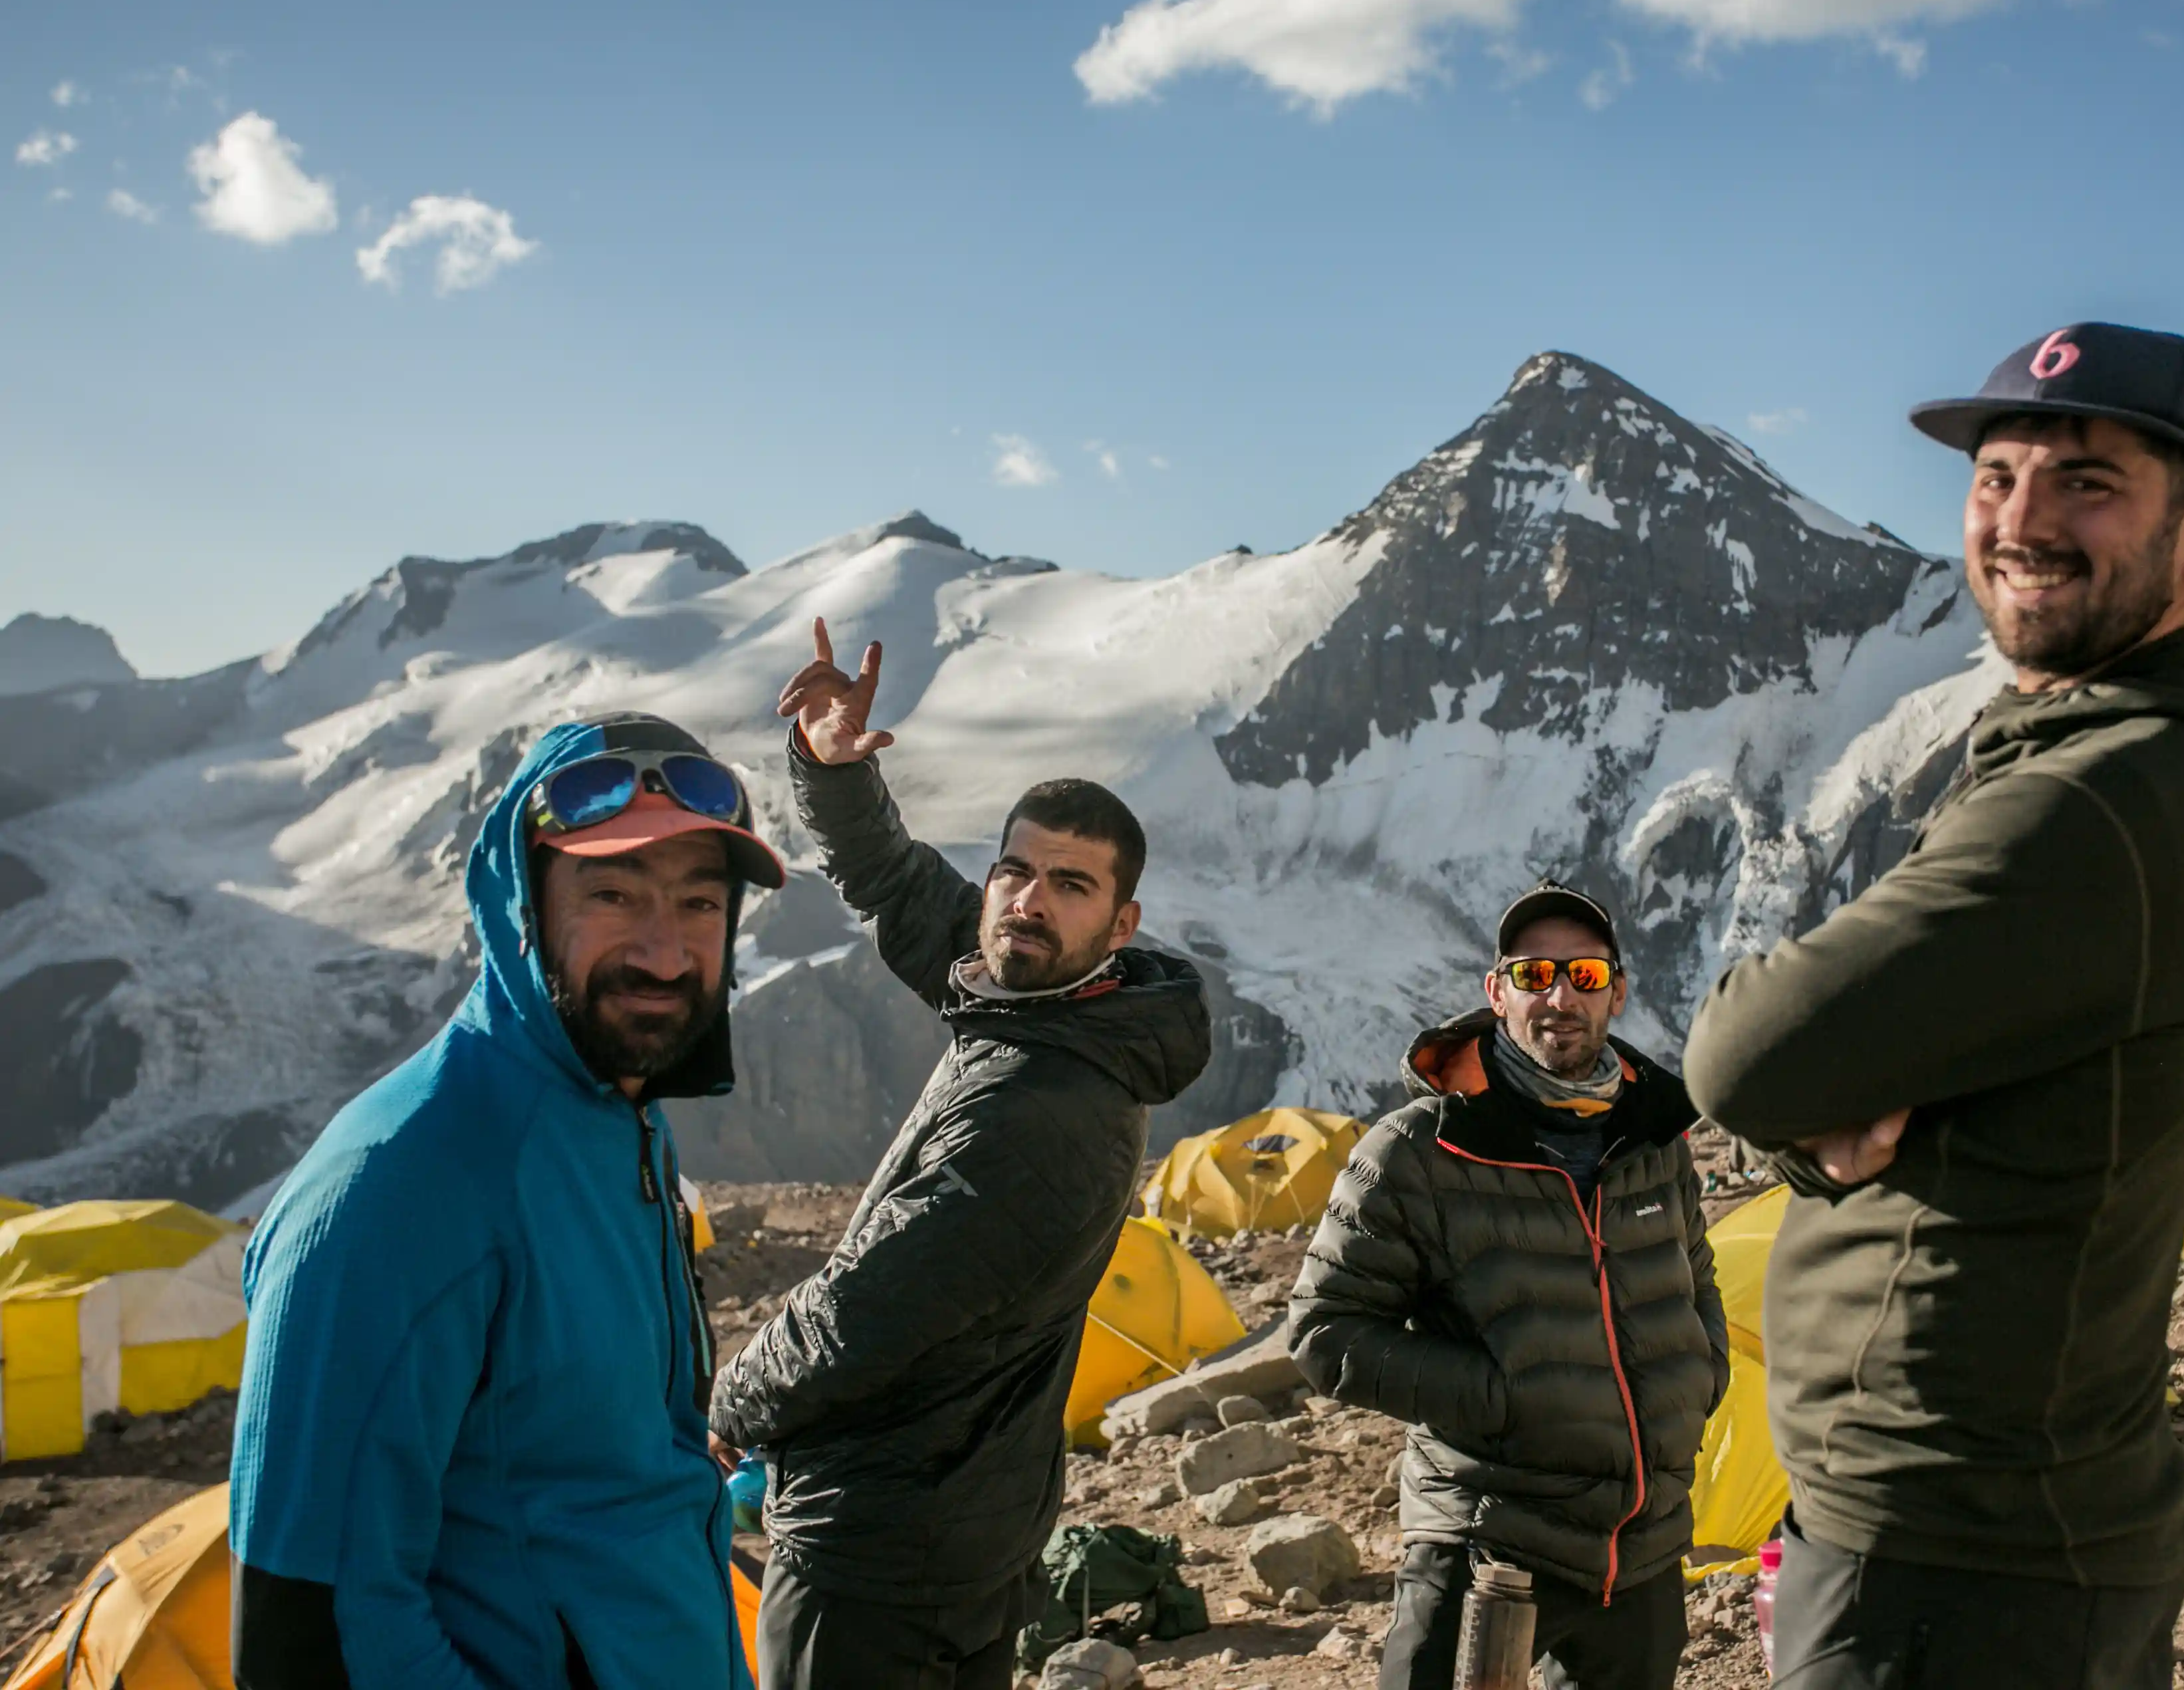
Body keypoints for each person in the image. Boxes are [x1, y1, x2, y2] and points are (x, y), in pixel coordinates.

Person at [1682, 323, 2184, 1689]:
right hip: (1974, 1521)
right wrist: (1812, 1123)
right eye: (1997, 478)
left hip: (1960, 1553)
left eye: (2086, 482)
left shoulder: (2103, 796)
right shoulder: (2096, 760)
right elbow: (1811, 1080)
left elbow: (1742, 1053)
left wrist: (1799, 1097)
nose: (2022, 520)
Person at [232, 713, 787, 1689]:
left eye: (700, 903)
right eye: (613, 894)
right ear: (520, 905)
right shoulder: (404, 1182)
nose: (665, 953)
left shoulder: (621, 1118)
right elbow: (305, 1631)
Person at [707, 619, 1211, 1690]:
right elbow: (898, 887)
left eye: (1069, 885)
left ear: (1121, 924)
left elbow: (869, 1308)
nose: (1028, 899)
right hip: (958, 1529)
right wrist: (831, 768)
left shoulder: (1048, 1104)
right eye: (1015, 871)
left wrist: (723, 1413)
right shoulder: (1046, 1004)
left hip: (883, 1551)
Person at [1289, 880, 1727, 1690]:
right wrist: (1501, 1399)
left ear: (1618, 993)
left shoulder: (1656, 1134)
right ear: (1497, 993)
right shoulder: (1419, 1149)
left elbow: (1694, 1273)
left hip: (1643, 1545)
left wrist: (1701, 1376)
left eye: (1586, 977)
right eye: (1534, 976)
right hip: (1490, 1540)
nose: (1560, 996)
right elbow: (1325, 1331)